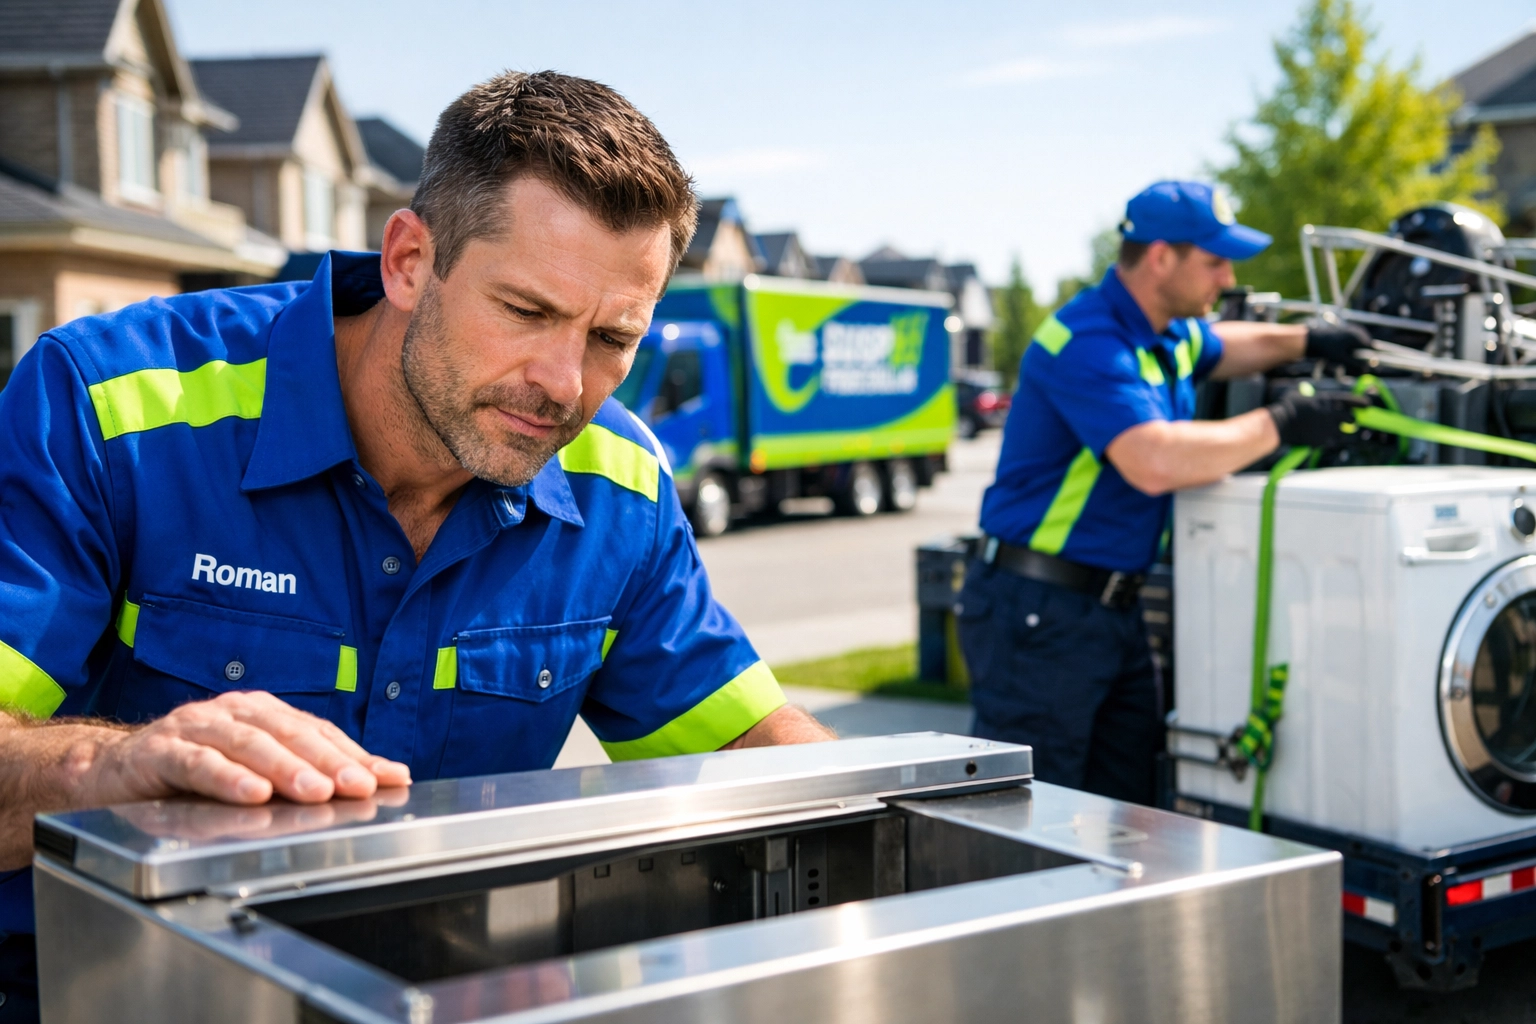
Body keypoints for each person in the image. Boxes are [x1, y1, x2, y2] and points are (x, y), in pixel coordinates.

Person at [0, 71, 833, 1019]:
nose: (564, 384)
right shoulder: (114, 407)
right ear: (407, 260)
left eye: (613, 337)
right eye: (525, 312)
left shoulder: (621, 486)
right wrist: (111, 769)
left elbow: (760, 754)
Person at [958, 180, 1369, 806]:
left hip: (1111, 612)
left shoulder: (1168, 330)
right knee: (1027, 822)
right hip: (1038, 614)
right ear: (1159, 258)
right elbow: (1155, 459)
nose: (1227, 278)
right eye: (1214, 261)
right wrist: (1282, 423)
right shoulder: (1088, 342)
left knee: (1128, 811)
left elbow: (1228, 344)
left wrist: (1310, 339)